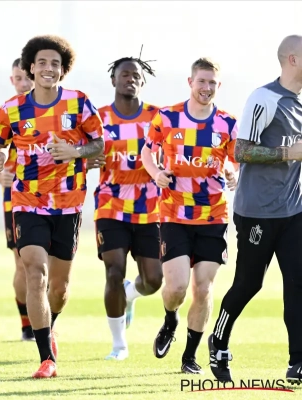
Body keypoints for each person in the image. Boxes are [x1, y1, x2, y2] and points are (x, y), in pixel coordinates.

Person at [0, 34, 104, 379]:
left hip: (68, 205)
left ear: (63, 69)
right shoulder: (11, 109)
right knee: (34, 273)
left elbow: (100, 144)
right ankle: (46, 358)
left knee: (60, 287)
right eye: (42, 62)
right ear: (31, 67)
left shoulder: (78, 103)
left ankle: (49, 325)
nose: (48, 68)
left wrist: (76, 151)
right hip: (27, 202)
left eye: (55, 63)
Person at [207, 34, 302, 385]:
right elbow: (242, 151)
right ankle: (218, 343)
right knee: (249, 283)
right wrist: (286, 154)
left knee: (298, 283)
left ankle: (298, 362)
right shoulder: (264, 98)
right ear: (292, 59)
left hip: (294, 210)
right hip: (257, 212)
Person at [140, 57, 238, 374]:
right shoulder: (167, 117)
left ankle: (189, 357)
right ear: (190, 82)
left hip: (213, 215)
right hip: (174, 213)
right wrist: (156, 173)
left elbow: (235, 160)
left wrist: (233, 172)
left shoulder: (227, 123)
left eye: (212, 83)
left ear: (218, 86)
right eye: (201, 81)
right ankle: (170, 320)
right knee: (177, 288)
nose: (206, 88)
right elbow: (147, 151)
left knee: (204, 289)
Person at [89, 56, 163, 361]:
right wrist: (87, 159)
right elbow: (84, 152)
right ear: (113, 79)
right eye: (124, 74)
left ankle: (131, 294)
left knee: (154, 280)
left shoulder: (158, 117)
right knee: (113, 272)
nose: (130, 79)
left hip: (150, 205)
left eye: (136, 75)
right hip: (111, 203)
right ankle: (119, 345)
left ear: (142, 81)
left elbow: (174, 151)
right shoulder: (98, 118)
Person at [0, 57, 35, 341]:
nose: (24, 83)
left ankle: (46, 318)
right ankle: (29, 325)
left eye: (28, 77)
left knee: (52, 266)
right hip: (15, 200)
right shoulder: (2, 114)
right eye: (18, 78)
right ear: (11, 80)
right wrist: (0, 177)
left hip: (53, 196)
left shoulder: (56, 111)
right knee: (24, 263)